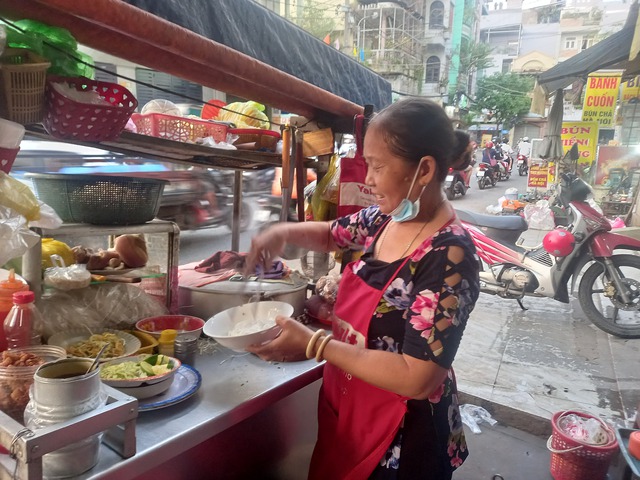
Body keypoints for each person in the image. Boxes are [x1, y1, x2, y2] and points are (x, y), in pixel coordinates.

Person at [245, 98, 481, 480]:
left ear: (423, 170)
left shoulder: (450, 255)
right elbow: (331, 234)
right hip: (351, 407)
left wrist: (315, 344)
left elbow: (418, 378)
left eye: (378, 165)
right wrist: (281, 231)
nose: (368, 179)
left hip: (404, 438)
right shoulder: (386, 217)